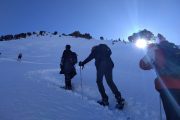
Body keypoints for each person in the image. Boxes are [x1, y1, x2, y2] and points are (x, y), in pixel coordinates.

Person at [139, 34, 180, 120]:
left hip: (168, 87)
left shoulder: (156, 49)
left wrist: (150, 51)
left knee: (173, 116)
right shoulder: (176, 49)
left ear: (158, 41)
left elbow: (143, 64)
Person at [79, 44, 125, 109]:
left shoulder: (95, 50)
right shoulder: (104, 50)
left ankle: (105, 100)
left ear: (93, 49)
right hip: (110, 64)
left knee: (99, 81)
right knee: (110, 82)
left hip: (102, 65)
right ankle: (119, 99)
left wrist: (82, 63)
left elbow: (89, 58)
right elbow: (110, 53)